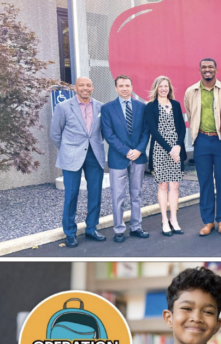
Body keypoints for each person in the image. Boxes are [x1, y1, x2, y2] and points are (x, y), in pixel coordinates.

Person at [49, 77, 106, 248]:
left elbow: (102, 131)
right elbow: (55, 134)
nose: (85, 88)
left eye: (88, 85)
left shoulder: (100, 106)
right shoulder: (63, 107)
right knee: (71, 195)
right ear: (75, 88)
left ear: (93, 88)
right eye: (81, 85)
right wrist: (67, 149)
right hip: (71, 156)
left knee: (95, 193)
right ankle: (70, 233)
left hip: (94, 155)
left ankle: (91, 228)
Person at [184, 58, 221, 237]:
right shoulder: (191, 91)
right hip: (202, 141)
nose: (207, 70)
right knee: (204, 182)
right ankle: (208, 221)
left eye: (210, 67)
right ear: (199, 70)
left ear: (216, 70)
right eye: (204, 67)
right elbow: (190, 113)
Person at [101, 75, 150, 243]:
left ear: (132, 87)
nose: (124, 88)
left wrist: (138, 150)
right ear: (115, 88)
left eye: (127, 85)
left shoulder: (141, 107)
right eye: (121, 85)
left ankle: (136, 227)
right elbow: (108, 134)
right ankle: (119, 229)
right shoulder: (107, 108)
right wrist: (126, 151)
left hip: (138, 157)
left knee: (137, 193)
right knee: (118, 195)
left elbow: (146, 131)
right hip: (118, 158)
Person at [144, 76, 187, 236]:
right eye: (161, 86)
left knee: (175, 185)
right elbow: (153, 131)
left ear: (170, 88)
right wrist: (170, 149)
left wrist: (177, 146)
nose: (163, 89)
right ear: (156, 88)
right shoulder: (150, 107)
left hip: (176, 147)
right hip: (160, 149)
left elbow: (182, 128)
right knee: (163, 185)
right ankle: (164, 221)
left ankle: (174, 219)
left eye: (166, 86)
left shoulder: (175, 105)